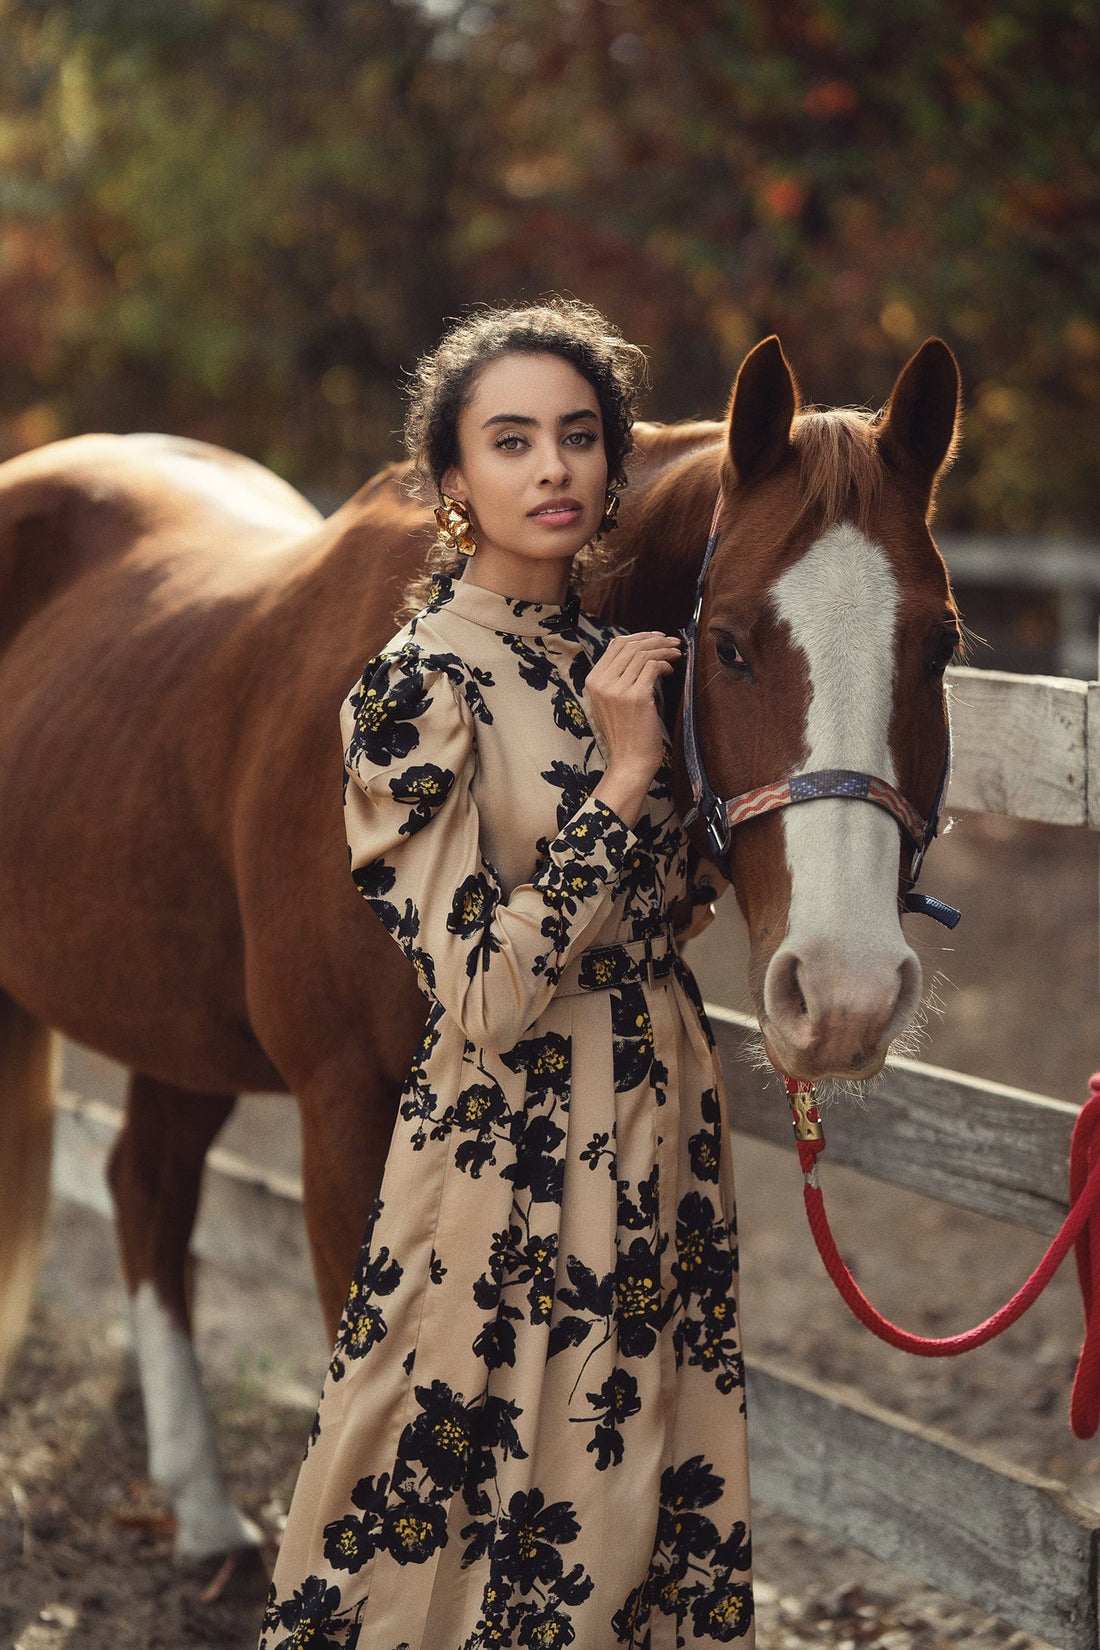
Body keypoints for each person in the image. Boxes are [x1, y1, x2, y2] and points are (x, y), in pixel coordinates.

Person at [258, 299, 754, 1649]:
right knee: (495, 1508)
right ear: (453, 479)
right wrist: (631, 780)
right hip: (513, 1153)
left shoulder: (614, 669)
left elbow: (659, 916)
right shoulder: (415, 688)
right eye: (513, 439)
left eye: (580, 438)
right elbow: (478, 988)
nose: (553, 468)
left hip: (658, 1131)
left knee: (649, 1475)